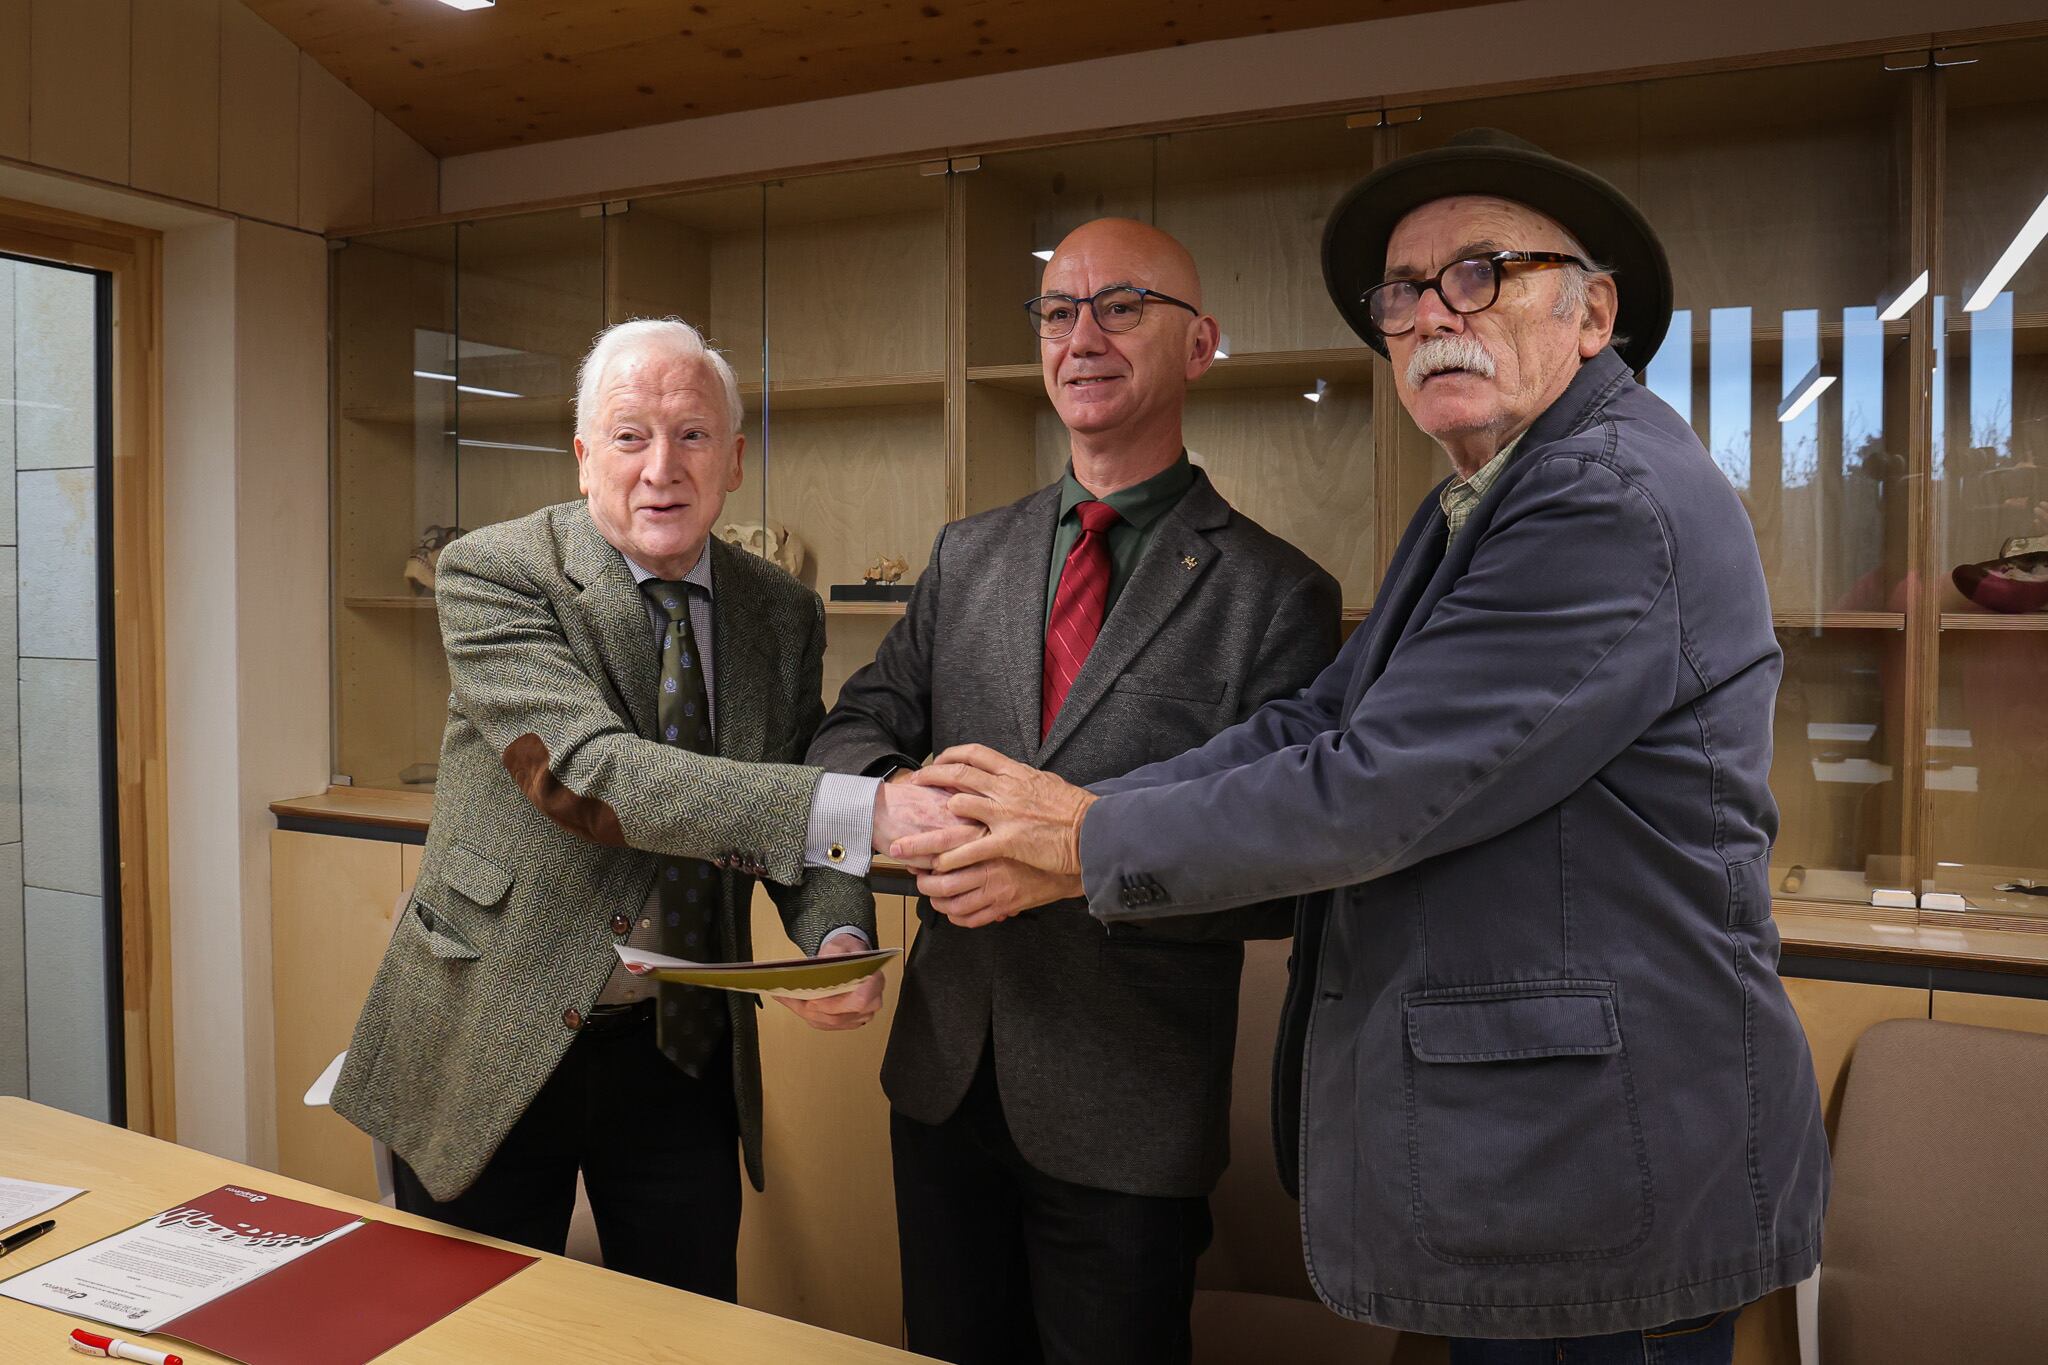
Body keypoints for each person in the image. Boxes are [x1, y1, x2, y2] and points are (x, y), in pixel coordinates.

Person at [895, 132, 1830, 1363]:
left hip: (1602, 1169)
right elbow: (1317, 723)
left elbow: (1373, 786)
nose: (1435, 313)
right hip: (1539, 1167)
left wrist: (1077, 838)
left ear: (1591, 311)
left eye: (1481, 272)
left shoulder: (1600, 497)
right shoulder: (1484, 496)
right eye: (1403, 290)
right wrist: (1069, 808)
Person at [332, 318, 962, 1299]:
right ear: (584, 457)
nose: (661, 466)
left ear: (735, 461)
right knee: (472, 1332)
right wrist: (872, 812)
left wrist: (835, 934)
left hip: (678, 1050)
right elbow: (588, 777)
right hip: (493, 1021)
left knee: (683, 1322)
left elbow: (790, 791)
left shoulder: (779, 611)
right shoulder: (495, 572)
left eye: (692, 435)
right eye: (630, 436)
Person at [808, 219, 1341, 1365]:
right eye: (1057, 311)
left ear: (1198, 346)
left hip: (1127, 1113)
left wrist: (1061, 864)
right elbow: (848, 729)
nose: (1081, 335)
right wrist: (897, 801)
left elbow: (1279, 867)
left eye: (1120, 306)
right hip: (943, 1081)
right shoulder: (966, 557)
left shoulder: (1275, 593)